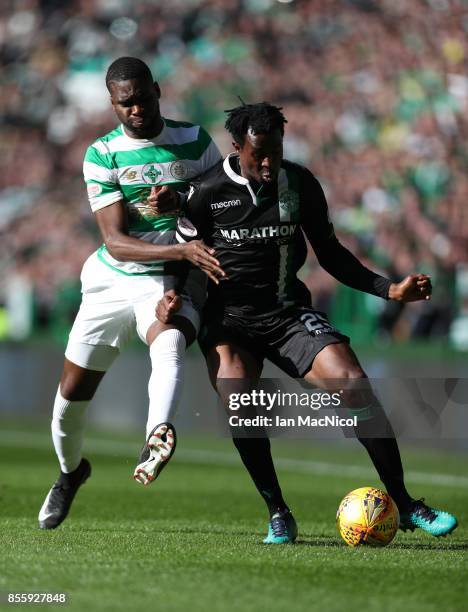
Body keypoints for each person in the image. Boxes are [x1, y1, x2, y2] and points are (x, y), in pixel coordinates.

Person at [156, 102, 458, 544]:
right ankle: (278, 511)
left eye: (275, 151)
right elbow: (183, 258)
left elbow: (330, 253)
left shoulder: (298, 183)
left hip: (287, 313)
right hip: (230, 322)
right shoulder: (205, 193)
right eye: (258, 153)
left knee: (354, 382)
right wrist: (173, 296)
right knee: (243, 406)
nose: (267, 162)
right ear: (237, 147)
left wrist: (389, 289)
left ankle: (407, 504)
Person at [38, 57, 225, 529]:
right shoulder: (102, 153)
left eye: (143, 98)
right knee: (69, 403)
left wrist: (182, 202)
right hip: (111, 279)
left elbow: (223, 209)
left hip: (165, 279)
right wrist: (183, 253)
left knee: (171, 345)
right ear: (113, 103)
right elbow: (116, 242)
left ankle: (156, 434)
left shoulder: (195, 141)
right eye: (126, 103)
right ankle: (70, 473)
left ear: (157, 90)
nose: (136, 109)